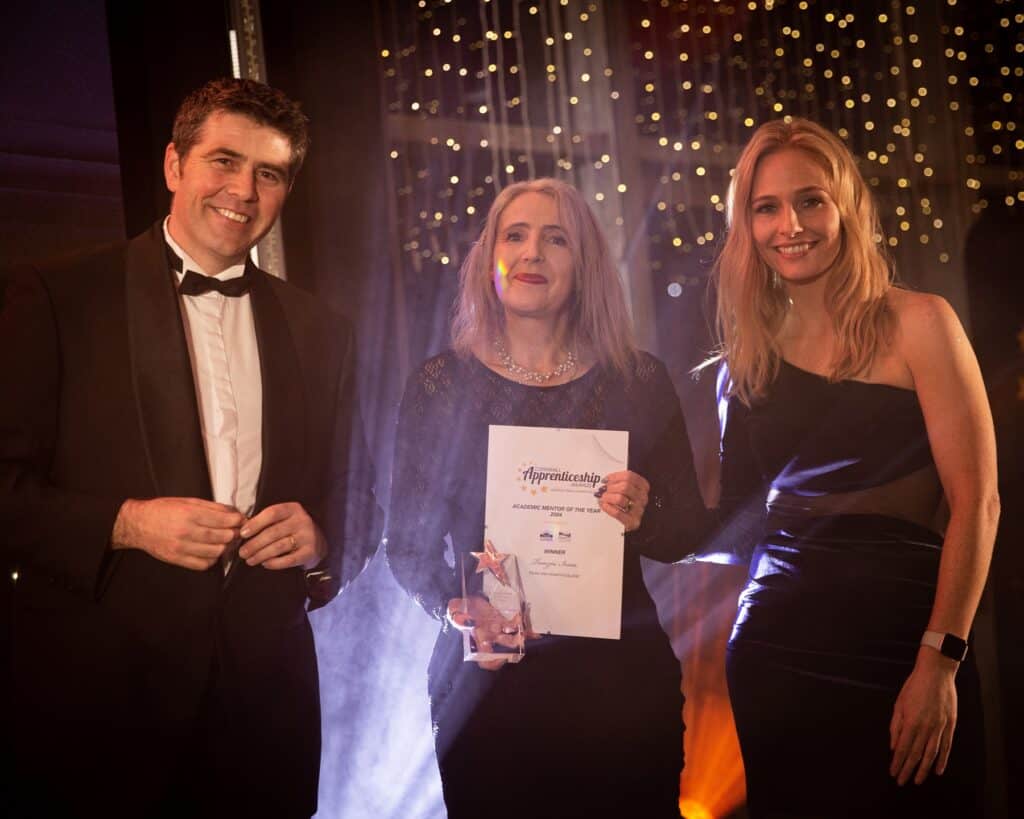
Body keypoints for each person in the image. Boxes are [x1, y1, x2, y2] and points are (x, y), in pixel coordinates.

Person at [0, 78, 380, 818]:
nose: (243, 189)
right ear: (174, 165)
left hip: (264, 718)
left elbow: (359, 496)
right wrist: (127, 522)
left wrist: (322, 533)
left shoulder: (322, 329)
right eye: (224, 161)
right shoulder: (55, 297)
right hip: (99, 714)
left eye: (268, 173)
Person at [385, 177, 710, 818]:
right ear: (490, 260)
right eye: (516, 235)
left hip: (620, 689)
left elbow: (688, 532)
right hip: (487, 683)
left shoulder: (638, 380)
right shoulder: (439, 384)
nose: (533, 253)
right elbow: (408, 548)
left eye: (555, 238)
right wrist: (458, 608)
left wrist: (645, 515)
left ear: (584, 266)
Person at [710, 117, 998, 817]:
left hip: (907, 649)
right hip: (776, 657)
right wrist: (630, 505)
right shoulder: (744, 364)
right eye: (767, 206)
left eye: (811, 200)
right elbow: (730, 531)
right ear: (745, 224)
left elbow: (978, 504)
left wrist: (939, 659)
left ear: (846, 206)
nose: (791, 224)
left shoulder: (922, 324)